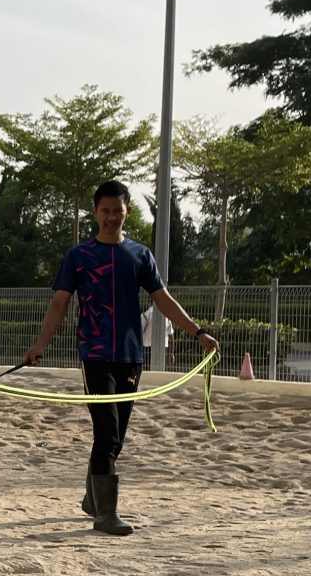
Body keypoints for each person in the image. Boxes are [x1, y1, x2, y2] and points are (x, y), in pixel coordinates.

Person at [23, 179, 218, 536]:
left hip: (130, 356)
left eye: (118, 210)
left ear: (127, 212)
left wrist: (197, 332)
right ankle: (104, 515)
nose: (112, 216)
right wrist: (40, 345)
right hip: (94, 354)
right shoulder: (79, 257)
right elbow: (59, 304)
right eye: (105, 210)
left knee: (115, 437)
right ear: (95, 213)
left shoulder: (140, 255)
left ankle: (92, 498)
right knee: (108, 432)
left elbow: (163, 299)